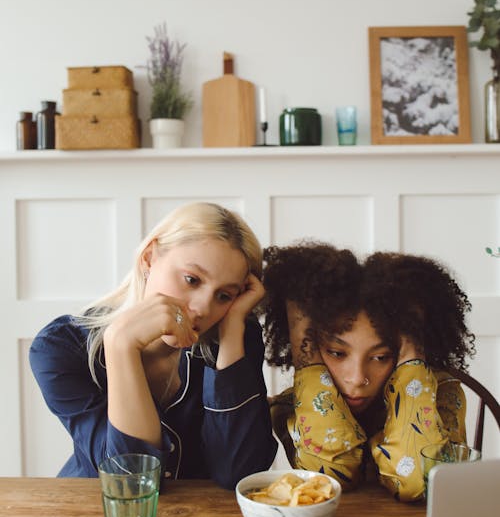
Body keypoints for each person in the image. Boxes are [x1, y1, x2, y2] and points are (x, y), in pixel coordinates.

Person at [30, 202, 277, 489]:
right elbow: (129, 481)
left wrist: (234, 328)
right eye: (191, 280)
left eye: (224, 295)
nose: (201, 308)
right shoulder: (60, 349)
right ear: (149, 257)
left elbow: (240, 473)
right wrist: (122, 346)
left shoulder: (234, 338)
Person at [262, 242, 475, 501]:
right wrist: (305, 356)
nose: (357, 378)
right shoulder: (293, 405)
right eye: (337, 353)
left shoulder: (441, 394)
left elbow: (420, 481)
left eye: (380, 357)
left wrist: (411, 348)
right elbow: (329, 476)